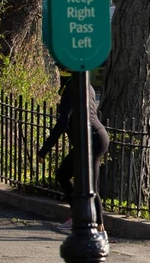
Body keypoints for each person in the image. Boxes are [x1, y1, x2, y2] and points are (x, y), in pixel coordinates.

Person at [37, 70, 110, 235]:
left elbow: (62, 123)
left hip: (92, 140)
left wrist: (44, 150)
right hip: (92, 138)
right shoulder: (86, 86)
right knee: (63, 174)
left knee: (90, 185)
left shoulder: (72, 88)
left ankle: (99, 229)